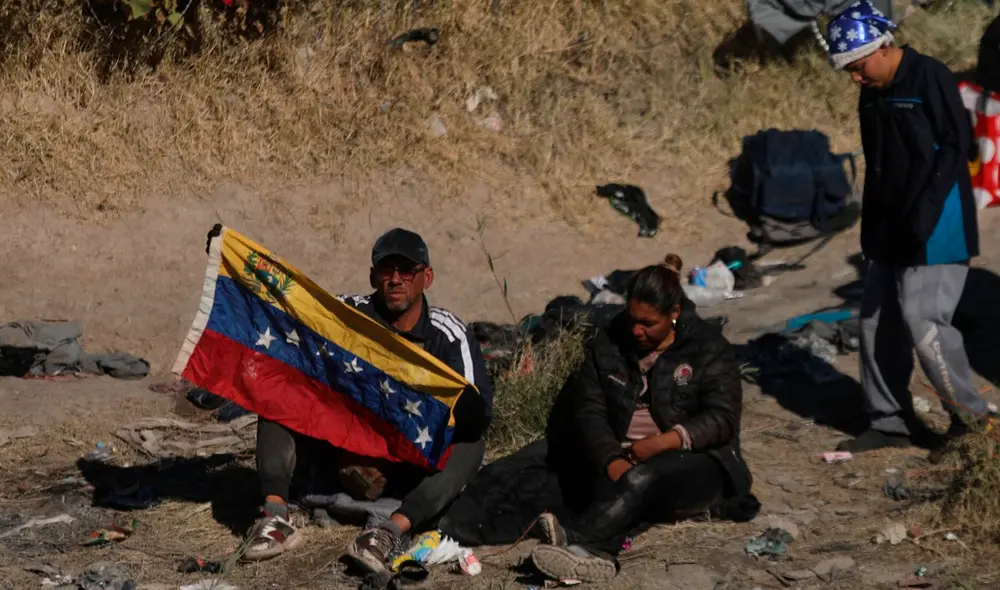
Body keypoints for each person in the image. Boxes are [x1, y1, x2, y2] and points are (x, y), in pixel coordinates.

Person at [439, 260, 757, 583]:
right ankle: (450, 530)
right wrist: (611, 459)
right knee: (522, 466)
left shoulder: (707, 348)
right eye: (633, 320)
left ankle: (585, 551)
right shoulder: (611, 341)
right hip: (617, 452)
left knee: (639, 481)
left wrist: (660, 443)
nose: (636, 330)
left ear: (674, 312)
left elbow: (722, 419)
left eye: (648, 324)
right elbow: (588, 410)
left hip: (696, 462)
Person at [245, 228, 493, 573]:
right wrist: (236, 261)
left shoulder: (448, 334)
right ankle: (275, 515)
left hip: (407, 464)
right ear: (373, 277)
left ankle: (390, 531)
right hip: (338, 451)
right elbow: (290, 317)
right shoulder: (346, 313)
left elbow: (477, 415)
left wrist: (396, 447)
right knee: (280, 390)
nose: (395, 280)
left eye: (406, 271)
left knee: (471, 445)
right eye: (385, 270)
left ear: (427, 277)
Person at [825, 2, 991, 453]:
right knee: (876, 321)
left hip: (937, 222)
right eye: (849, 73)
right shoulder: (873, 89)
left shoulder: (928, 75)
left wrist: (926, 212)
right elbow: (879, 163)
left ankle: (970, 423)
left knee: (925, 321)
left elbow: (956, 144)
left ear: (883, 45)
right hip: (889, 225)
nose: (855, 79)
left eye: (858, 68)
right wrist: (874, 225)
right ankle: (890, 422)